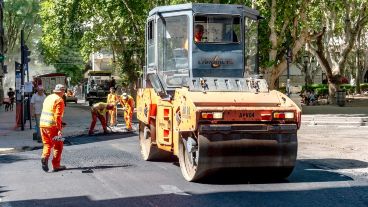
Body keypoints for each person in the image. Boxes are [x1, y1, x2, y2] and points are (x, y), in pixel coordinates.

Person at [39, 84, 66, 172]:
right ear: (61, 91)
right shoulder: (59, 100)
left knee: (47, 144)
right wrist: (59, 129)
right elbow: (57, 116)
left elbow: (49, 111)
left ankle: (44, 157)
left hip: (43, 124)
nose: (64, 93)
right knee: (58, 145)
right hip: (52, 126)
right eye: (63, 91)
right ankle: (56, 165)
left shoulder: (48, 97)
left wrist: (61, 123)